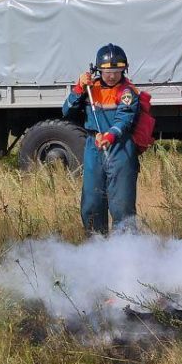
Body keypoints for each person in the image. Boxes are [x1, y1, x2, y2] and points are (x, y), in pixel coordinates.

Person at [63, 43, 140, 235]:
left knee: (121, 203)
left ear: (124, 69)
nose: (112, 75)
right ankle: (96, 247)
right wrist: (78, 88)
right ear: (98, 70)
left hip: (120, 148)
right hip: (93, 147)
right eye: (107, 71)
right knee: (92, 201)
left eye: (117, 70)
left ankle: (126, 249)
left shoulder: (128, 92)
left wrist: (110, 135)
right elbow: (67, 111)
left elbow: (124, 119)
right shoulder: (90, 88)